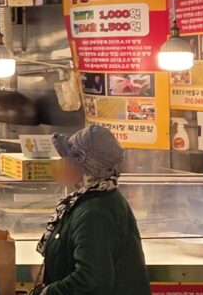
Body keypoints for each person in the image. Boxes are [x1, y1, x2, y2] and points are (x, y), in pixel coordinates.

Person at [34, 125, 150, 295]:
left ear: (87, 168)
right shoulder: (98, 197)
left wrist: (48, 292)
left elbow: (92, 280)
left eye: (69, 161)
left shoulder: (94, 212)